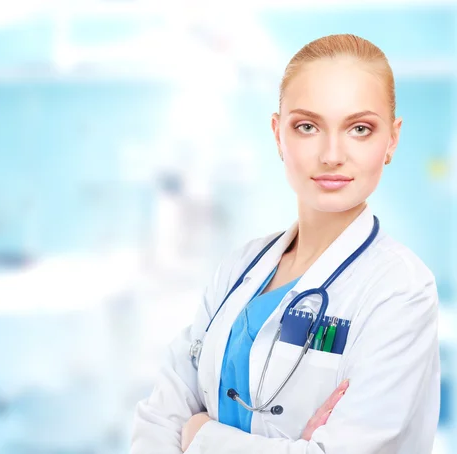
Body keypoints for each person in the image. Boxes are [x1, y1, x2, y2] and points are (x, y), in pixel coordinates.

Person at [130, 34, 440, 454]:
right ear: (278, 134)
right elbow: (158, 417)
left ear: (392, 139)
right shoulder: (239, 268)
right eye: (308, 126)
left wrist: (199, 436)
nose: (332, 154)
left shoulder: (401, 291)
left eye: (359, 129)